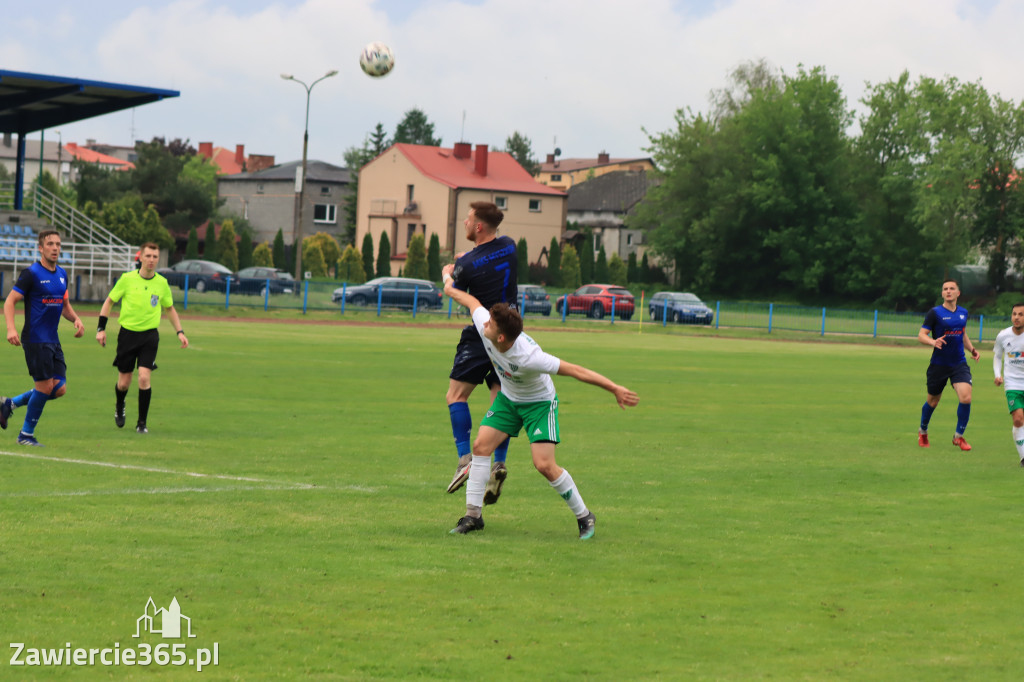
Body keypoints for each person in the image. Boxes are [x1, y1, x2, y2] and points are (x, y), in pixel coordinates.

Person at [442, 268, 639, 539]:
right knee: (480, 446)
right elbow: (469, 301)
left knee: (544, 465)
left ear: (501, 338)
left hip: (538, 404)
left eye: (489, 325)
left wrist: (615, 388)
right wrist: (447, 278)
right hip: (509, 399)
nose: (483, 325)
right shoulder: (486, 324)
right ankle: (473, 517)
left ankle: (585, 516)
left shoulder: (530, 357)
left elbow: (576, 370)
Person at [445, 201, 519, 503]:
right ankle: (498, 462)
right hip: (511, 334)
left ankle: (465, 460)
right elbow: (486, 257)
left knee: (456, 396)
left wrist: (448, 272)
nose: (464, 222)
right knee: (499, 394)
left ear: (478, 226)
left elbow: (456, 287)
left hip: (482, 333)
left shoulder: (467, 265)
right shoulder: (510, 246)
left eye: (468, 218)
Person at [0, 230, 85, 446]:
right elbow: (9, 302)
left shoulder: (62, 274)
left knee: (59, 388)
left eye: (58, 244)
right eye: (50, 244)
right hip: (36, 339)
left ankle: (9, 404)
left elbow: (64, 305)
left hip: (53, 339)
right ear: (41, 248)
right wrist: (11, 329)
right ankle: (25, 435)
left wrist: (76, 319)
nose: (55, 248)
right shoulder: (31, 274)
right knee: (45, 387)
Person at [96, 242, 188, 433]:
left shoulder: (161, 283)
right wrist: (101, 328)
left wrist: (180, 332)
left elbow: (169, 308)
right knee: (124, 383)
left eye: (155, 257)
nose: (152, 260)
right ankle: (120, 405)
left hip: (149, 337)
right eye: (148, 256)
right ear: (140, 258)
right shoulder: (127, 279)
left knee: (144, 378)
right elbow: (109, 302)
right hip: (127, 335)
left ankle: (141, 424)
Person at [917, 279, 980, 450]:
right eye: (945, 289)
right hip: (939, 364)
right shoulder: (935, 313)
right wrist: (932, 342)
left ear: (958, 293)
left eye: (952, 288)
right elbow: (921, 335)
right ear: (942, 293)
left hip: (959, 363)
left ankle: (958, 437)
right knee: (933, 401)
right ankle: (923, 431)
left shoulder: (963, 313)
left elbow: (962, 334)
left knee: (966, 397)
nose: (948, 291)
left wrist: (972, 350)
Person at [992, 302, 1024, 466]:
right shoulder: (1003, 336)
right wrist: (998, 375)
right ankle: (1023, 457)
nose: (1017, 317)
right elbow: (997, 357)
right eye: (1014, 314)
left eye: (1021, 314)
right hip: (1012, 384)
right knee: (1018, 419)